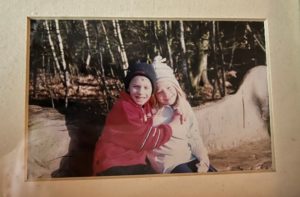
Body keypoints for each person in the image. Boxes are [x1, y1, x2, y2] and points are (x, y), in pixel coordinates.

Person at [93, 62, 173, 176]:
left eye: (146, 87)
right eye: (136, 87)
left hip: (133, 161)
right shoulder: (124, 107)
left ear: (152, 90)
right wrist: (170, 129)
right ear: (128, 88)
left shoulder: (144, 106)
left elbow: (167, 100)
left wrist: (178, 108)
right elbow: (143, 138)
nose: (141, 92)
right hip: (113, 161)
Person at [148, 56, 214, 174]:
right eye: (160, 92)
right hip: (169, 164)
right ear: (154, 95)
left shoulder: (184, 106)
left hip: (189, 157)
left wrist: (203, 157)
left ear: (175, 86)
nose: (167, 94)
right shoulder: (152, 113)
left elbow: (193, 135)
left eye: (169, 88)